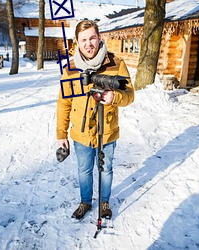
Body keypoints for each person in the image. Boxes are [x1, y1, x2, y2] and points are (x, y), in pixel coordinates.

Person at [56, 20, 134, 220]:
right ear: (77, 42)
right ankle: (85, 202)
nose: (88, 43)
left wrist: (114, 97)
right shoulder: (71, 68)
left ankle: (105, 202)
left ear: (99, 38)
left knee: (106, 168)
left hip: (107, 130)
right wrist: (61, 134)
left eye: (92, 38)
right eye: (84, 40)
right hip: (81, 133)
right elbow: (64, 103)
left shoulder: (116, 64)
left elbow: (130, 95)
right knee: (84, 170)